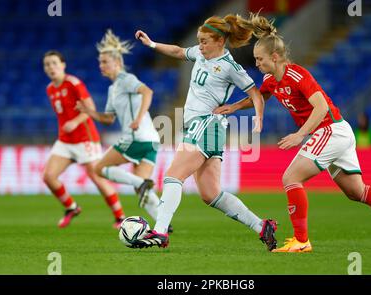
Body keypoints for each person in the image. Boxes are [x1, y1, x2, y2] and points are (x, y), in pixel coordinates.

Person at [214, 14, 371, 252]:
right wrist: (234, 107)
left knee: (290, 178)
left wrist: (299, 135)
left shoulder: (297, 75)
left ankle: (301, 241)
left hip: (330, 130)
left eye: (260, 59)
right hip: (338, 132)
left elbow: (321, 106)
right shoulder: (271, 79)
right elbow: (260, 97)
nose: (257, 64)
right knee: (357, 191)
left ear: (274, 57)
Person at [132, 14, 278, 250]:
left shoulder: (231, 67)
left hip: (207, 124)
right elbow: (179, 52)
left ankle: (160, 231)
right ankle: (262, 226)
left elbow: (256, 94)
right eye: (199, 41)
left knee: (173, 175)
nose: (200, 45)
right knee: (211, 194)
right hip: (205, 128)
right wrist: (151, 44)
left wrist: (255, 116)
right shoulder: (201, 54)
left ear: (220, 41)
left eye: (204, 41)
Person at [76, 30, 163, 230]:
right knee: (141, 190)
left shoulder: (126, 79)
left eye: (105, 61)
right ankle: (163, 226)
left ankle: (141, 183)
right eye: (100, 62)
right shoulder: (112, 89)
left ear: (117, 63)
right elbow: (108, 119)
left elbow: (147, 91)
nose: (101, 65)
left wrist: (138, 118)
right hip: (150, 140)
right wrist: (89, 112)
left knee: (99, 168)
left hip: (137, 136)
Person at [42, 50, 125, 229]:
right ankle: (71, 208)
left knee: (97, 177)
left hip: (85, 138)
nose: (51, 67)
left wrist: (74, 121)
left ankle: (120, 217)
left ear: (63, 65)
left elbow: (90, 108)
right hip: (65, 141)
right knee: (49, 176)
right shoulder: (50, 89)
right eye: (47, 64)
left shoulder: (73, 83)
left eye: (54, 63)